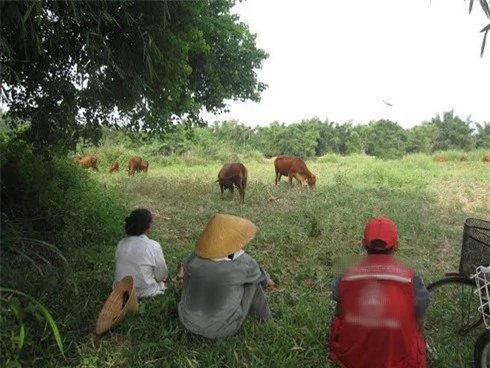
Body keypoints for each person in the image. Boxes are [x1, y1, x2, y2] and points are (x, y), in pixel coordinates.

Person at [328, 216, 430, 368]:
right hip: (397, 358)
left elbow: (340, 310)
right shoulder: (411, 275)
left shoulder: (347, 271)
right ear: (396, 246)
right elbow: (420, 313)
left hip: (353, 356)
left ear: (364, 244)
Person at [178, 213, 275, 339]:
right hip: (221, 329)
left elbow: (184, 268)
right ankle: (266, 320)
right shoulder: (244, 263)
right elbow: (260, 277)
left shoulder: (195, 257)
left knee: (192, 275)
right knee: (254, 283)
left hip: (187, 321)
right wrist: (267, 279)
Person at [114, 208, 169, 298]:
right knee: (161, 283)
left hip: (121, 290)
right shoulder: (154, 246)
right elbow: (162, 276)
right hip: (144, 292)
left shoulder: (121, 243)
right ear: (148, 227)